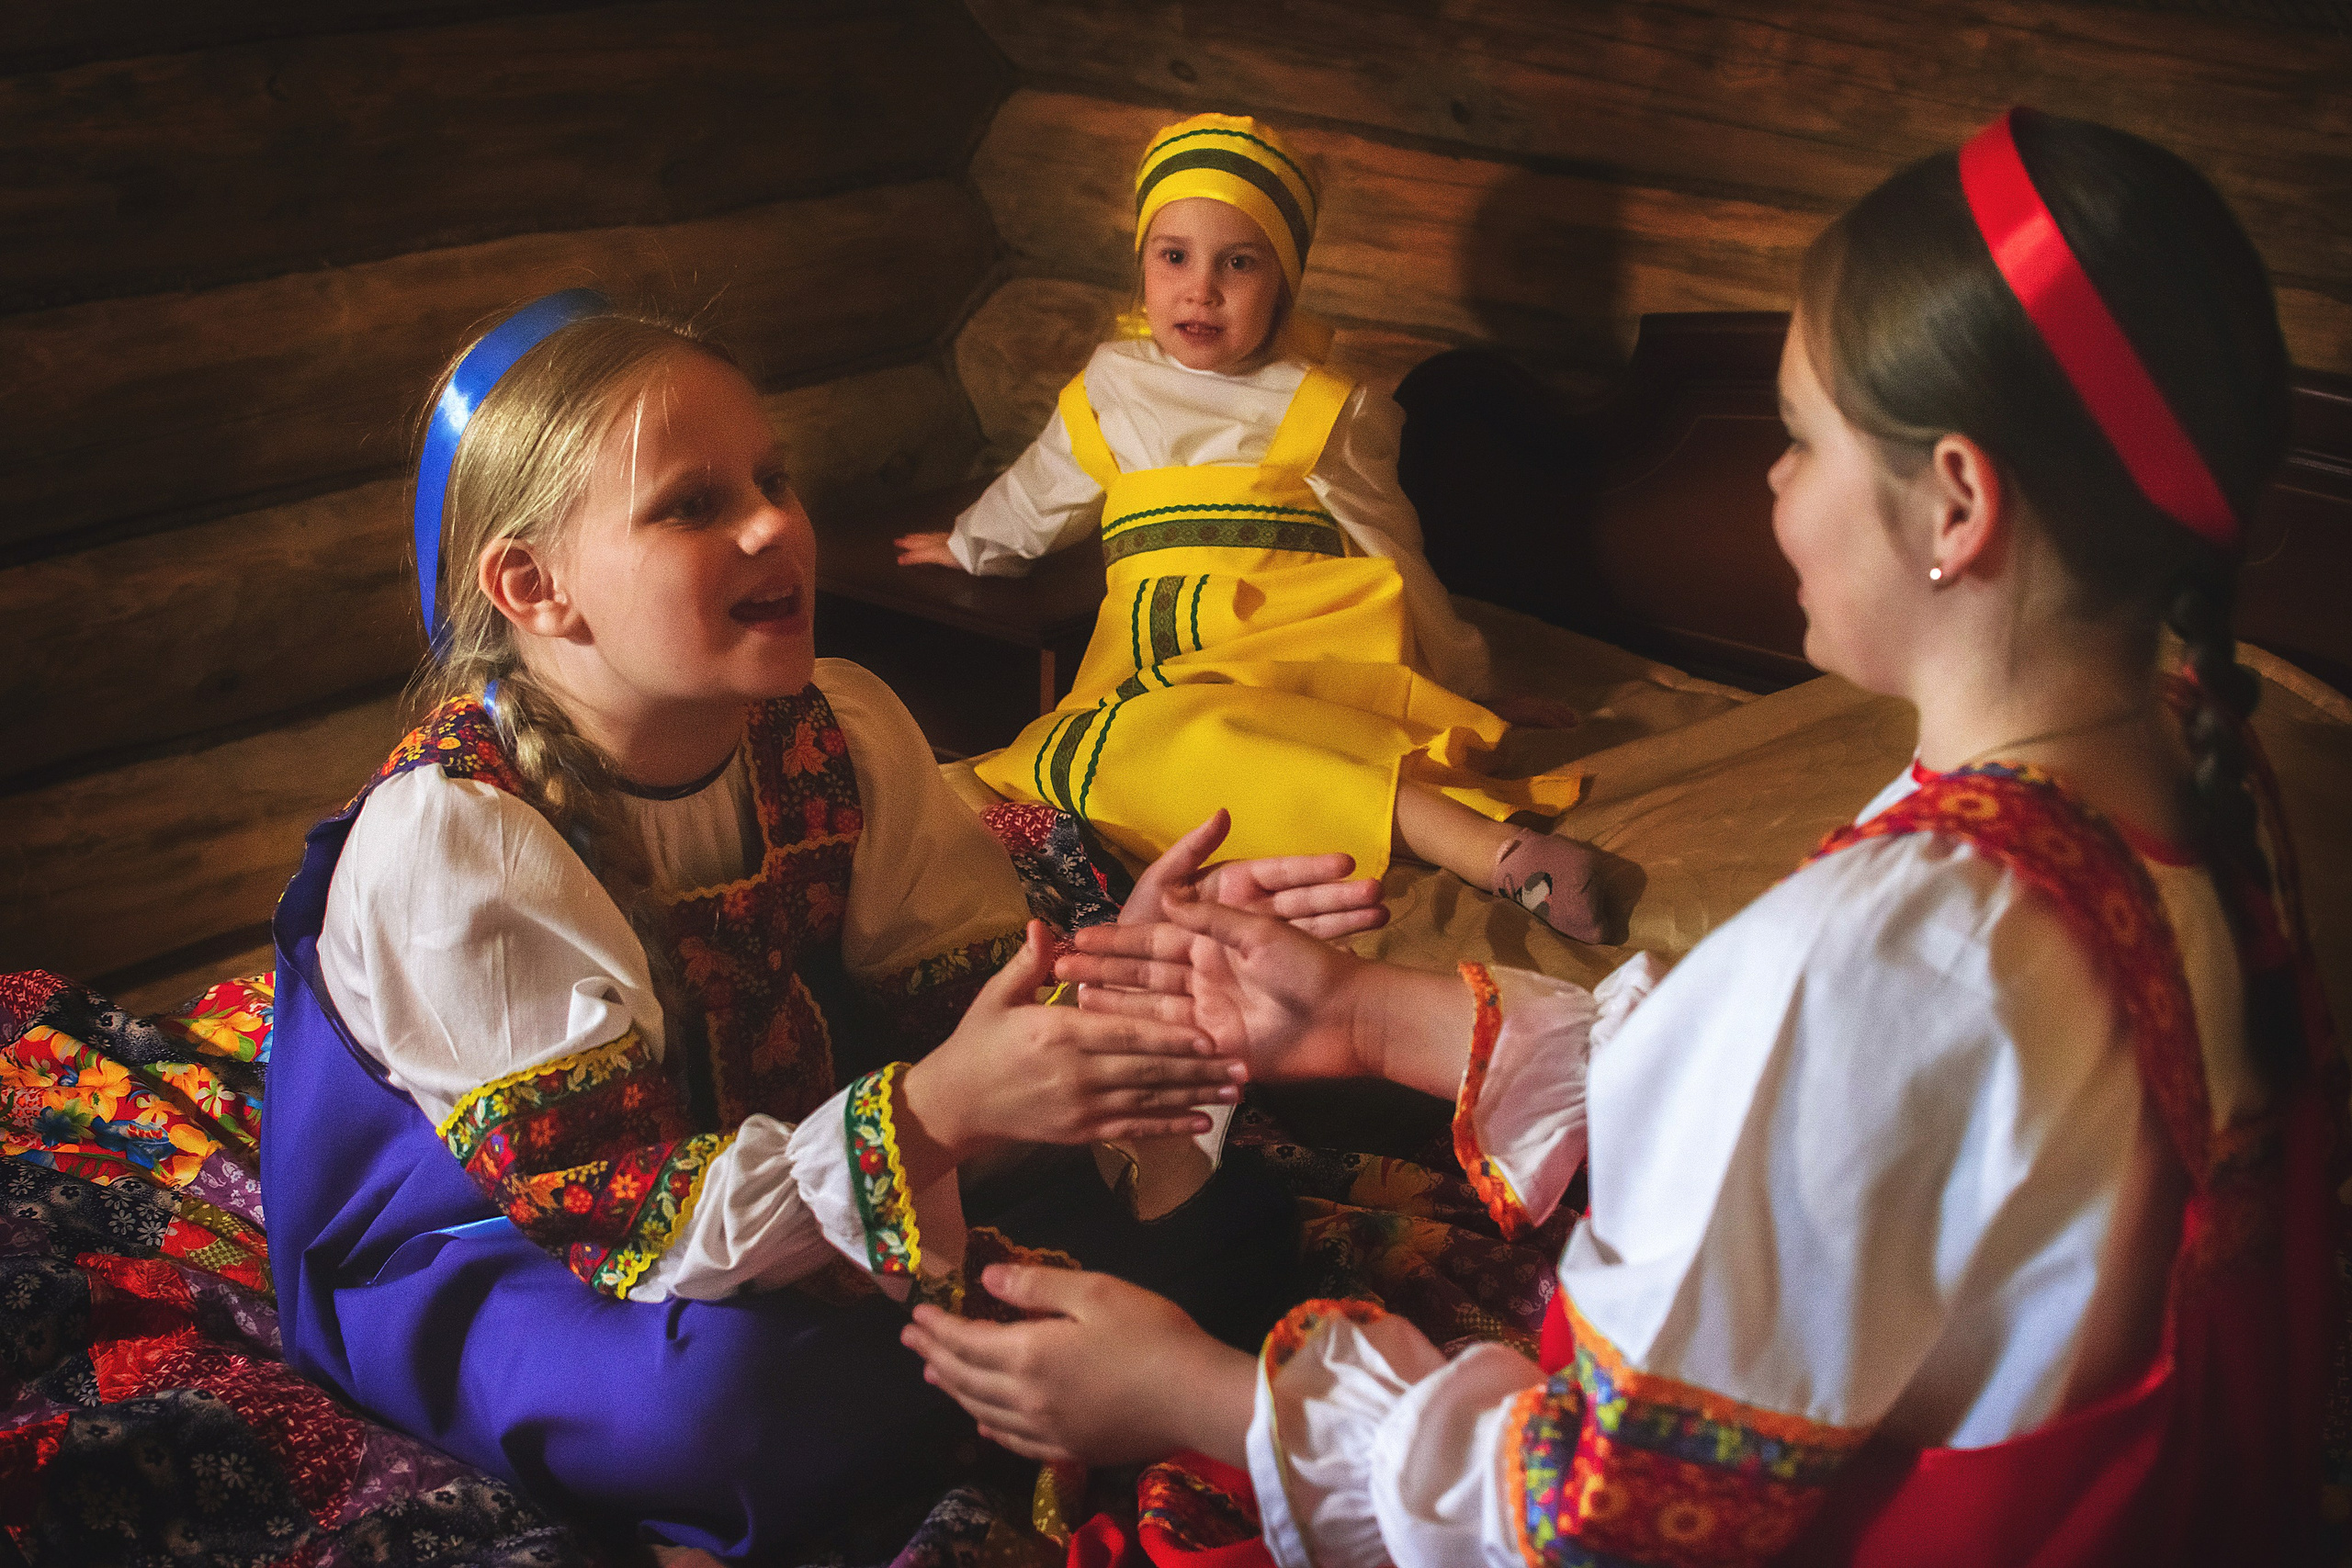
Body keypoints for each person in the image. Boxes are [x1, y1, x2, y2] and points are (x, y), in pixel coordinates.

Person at [902, 109, 2338, 1563]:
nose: (1774, 483)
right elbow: (1846, 1117)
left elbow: (1602, 1513)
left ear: (1956, 502)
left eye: (1796, 436)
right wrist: (1375, 1014)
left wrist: (1195, 1391)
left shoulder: (1902, 942)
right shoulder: (2199, 793)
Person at [259, 292, 1387, 1561]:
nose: (773, 524)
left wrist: (1125, 978)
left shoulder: (832, 725)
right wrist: (933, 1118)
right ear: (536, 584)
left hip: (782, 1142)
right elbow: (623, 1217)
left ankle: (998, 1362)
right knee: (733, 1408)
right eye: (693, 504)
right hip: (512, 1237)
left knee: (1217, 1218)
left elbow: (955, 1005)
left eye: (772, 476)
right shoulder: (456, 843)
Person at [895, 113, 1606, 942]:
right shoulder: (1109, 389)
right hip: (1149, 663)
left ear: (1284, 282)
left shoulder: (1321, 407)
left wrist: (1467, 683)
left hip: (1289, 651)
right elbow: (1040, 491)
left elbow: (1392, 547)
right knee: (1094, 757)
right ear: (1144, 267)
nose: (1201, 290)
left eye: (1239, 262)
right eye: (1175, 258)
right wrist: (970, 544)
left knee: (1242, 741)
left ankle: (1497, 853)